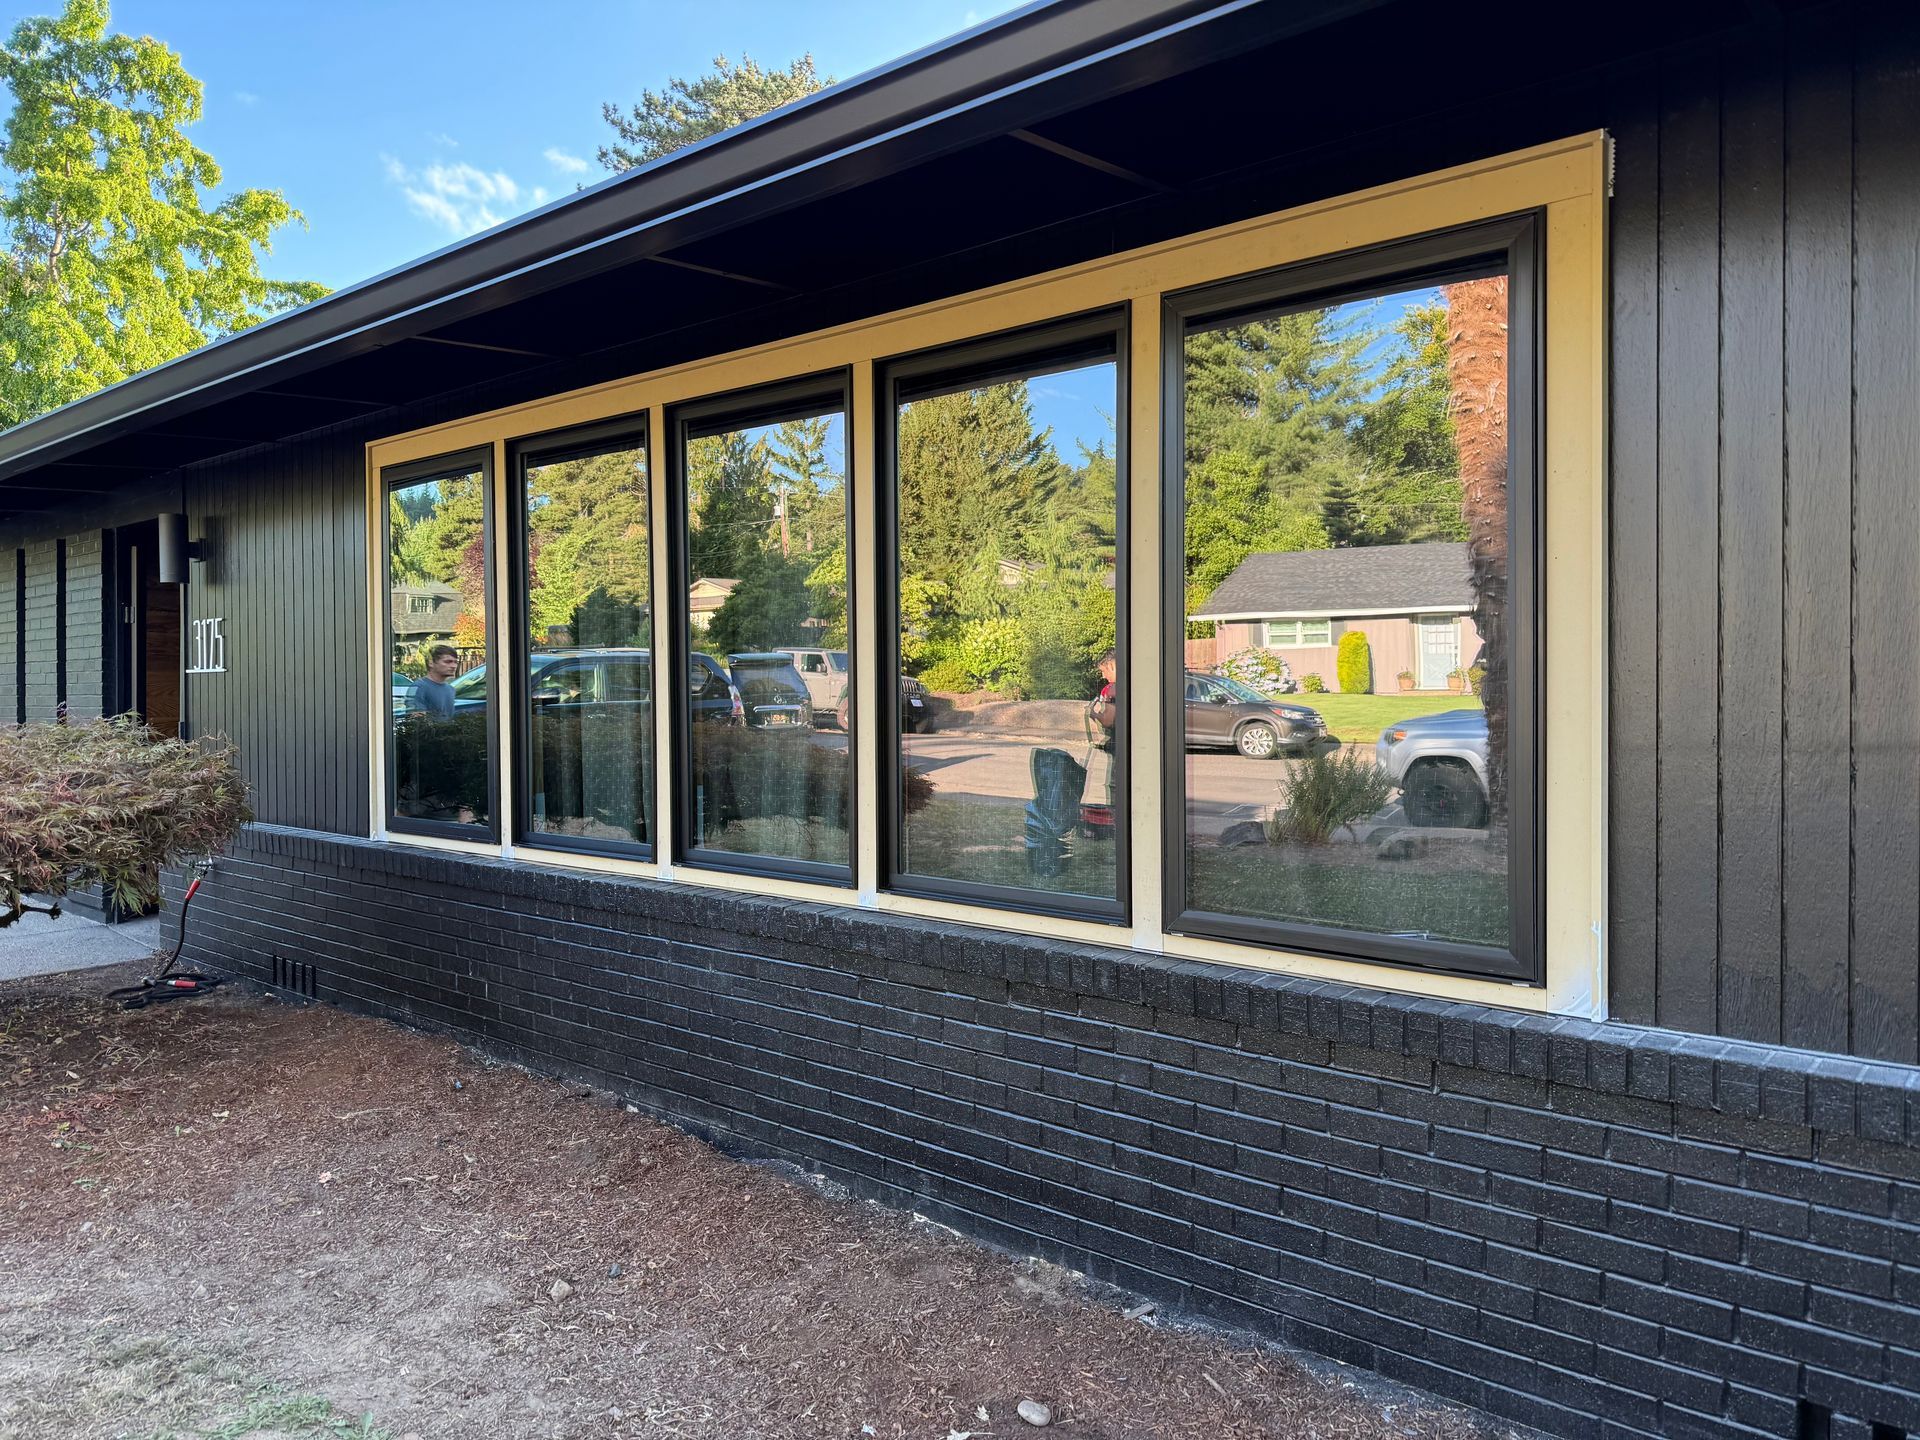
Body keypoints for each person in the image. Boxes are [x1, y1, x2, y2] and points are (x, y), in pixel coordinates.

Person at [407, 645, 459, 719]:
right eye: (448, 662)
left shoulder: (451, 689)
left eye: (455, 662)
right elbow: (416, 720)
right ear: (431, 663)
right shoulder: (419, 687)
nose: (453, 666)